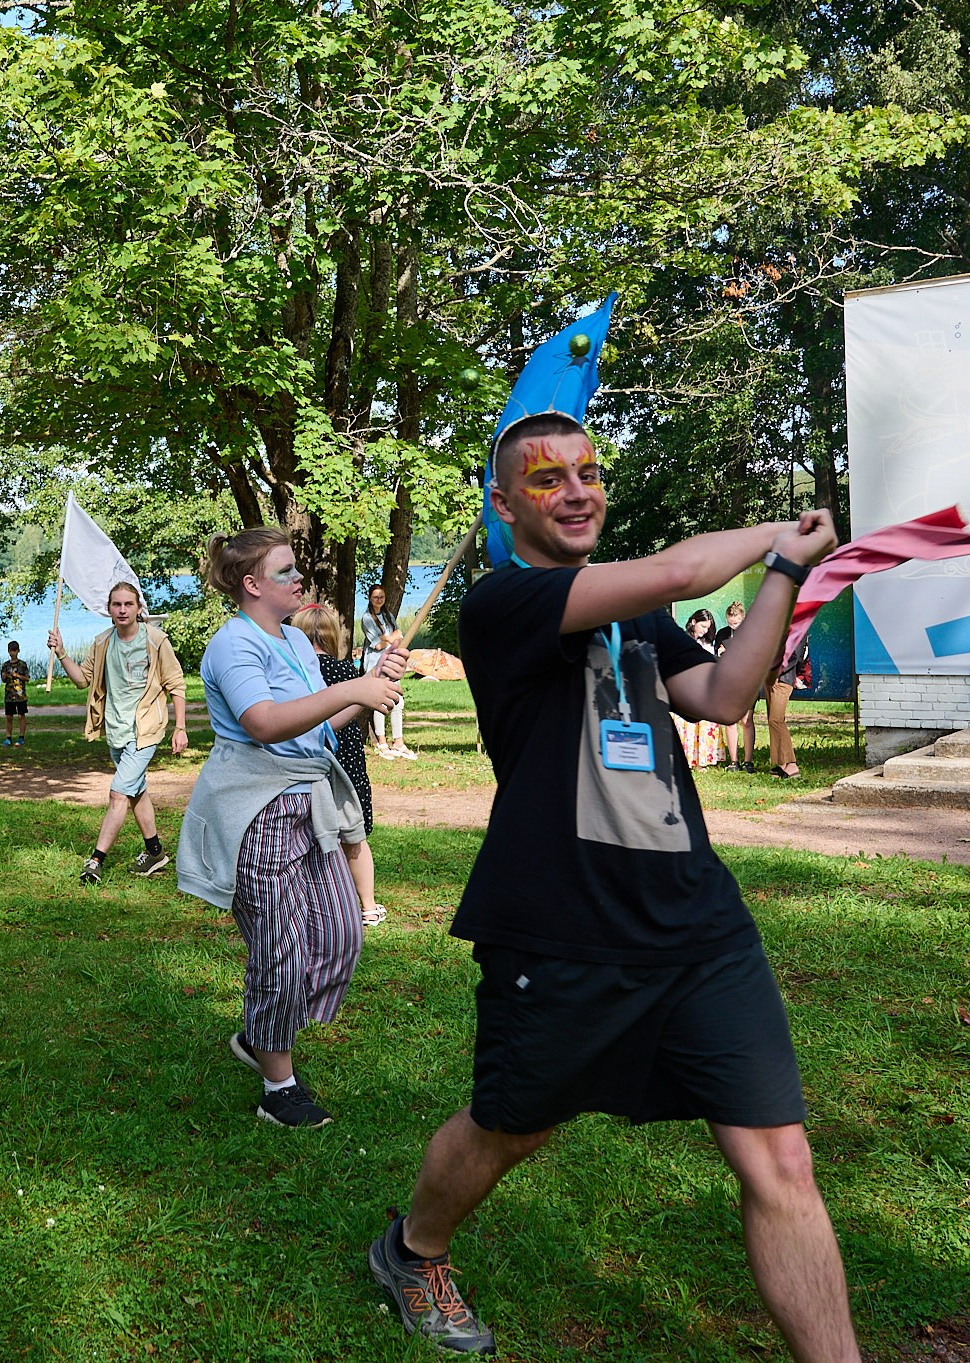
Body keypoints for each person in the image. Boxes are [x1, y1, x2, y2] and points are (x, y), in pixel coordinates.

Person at [366, 411, 856, 1361]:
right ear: (505, 504)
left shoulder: (633, 611)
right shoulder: (503, 603)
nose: (579, 489)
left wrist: (786, 578)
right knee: (512, 1127)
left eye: (589, 471)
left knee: (781, 1158)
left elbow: (721, 696)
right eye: (549, 480)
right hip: (561, 927)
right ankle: (413, 1250)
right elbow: (678, 569)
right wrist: (777, 535)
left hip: (698, 922)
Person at [176, 528, 405, 1128]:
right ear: (252, 585)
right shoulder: (232, 645)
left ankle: (259, 1033)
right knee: (279, 952)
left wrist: (372, 685)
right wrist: (352, 687)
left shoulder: (298, 646)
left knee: (341, 936)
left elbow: (322, 727)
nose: (299, 579)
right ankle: (278, 1086)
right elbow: (264, 723)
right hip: (258, 809)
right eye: (285, 572)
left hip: (312, 803)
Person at [47, 581, 190, 884]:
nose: (122, 610)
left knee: (118, 794)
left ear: (139, 608)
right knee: (136, 792)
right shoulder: (102, 642)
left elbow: (176, 684)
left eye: (128, 604)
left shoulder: (155, 640)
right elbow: (82, 680)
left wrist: (180, 727)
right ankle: (155, 852)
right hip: (115, 731)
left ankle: (95, 861)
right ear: (109, 609)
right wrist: (61, 653)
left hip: (146, 730)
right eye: (116, 605)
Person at [293, 603, 385, 927]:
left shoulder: (298, 674)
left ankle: (318, 906)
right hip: (349, 765)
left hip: (313, 766)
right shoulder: (349, 672)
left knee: (313, 839)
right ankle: (368, 907)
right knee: (355, 837)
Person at [359, 584, 415, 760]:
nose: (378, 600)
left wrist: (387, 639)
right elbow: (376, 644)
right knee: (381, 703)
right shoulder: (367, 618)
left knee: (398, 702)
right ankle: (382, 743)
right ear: (369, 598)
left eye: (381, 596)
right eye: (375, 597)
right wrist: (389, 638)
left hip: (391, 663)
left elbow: (397, 638)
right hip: (376, 666)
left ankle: (398, 742)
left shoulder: (388, 616)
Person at [675, 610, 723, 769]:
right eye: (703, 626)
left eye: (708, 628)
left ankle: (701, 759)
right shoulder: (683, 640)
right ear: (694, 622)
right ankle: (685, 758)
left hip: (705, 688)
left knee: (704, 723)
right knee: (686, 725)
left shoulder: (707, 643)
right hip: (687, 687)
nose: (705, 631)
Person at [715, 601, 754, 771]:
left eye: (736, 623)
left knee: (746, 721)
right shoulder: (722, 633)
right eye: (730, 622)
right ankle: (734, 761)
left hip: (747, 681)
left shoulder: (751, 632)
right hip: (727, 681)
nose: (733, 626)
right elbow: (716, 656)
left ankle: (748, 761)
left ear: (743, 618)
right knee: (730, 720)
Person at [765, 636, 810, 780]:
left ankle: (791, 764)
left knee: (776, 720)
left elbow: (794, 655)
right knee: (772, 720)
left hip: (783, 677)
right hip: (770, 676)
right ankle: (781, 763)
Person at [0, 642, 31, 745]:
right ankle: (8, 737)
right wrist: (4, 676)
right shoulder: (5, 665)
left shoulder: (22, 664)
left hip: (20, 695)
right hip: (9, 695)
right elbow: (3, 680)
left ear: (18, 651)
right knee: (9, 717)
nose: (12, 653)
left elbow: (27, 678)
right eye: (11, 651)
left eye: (14, 650)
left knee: (21, 716)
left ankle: (21, 737)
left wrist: (16, 675)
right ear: (8, 651)